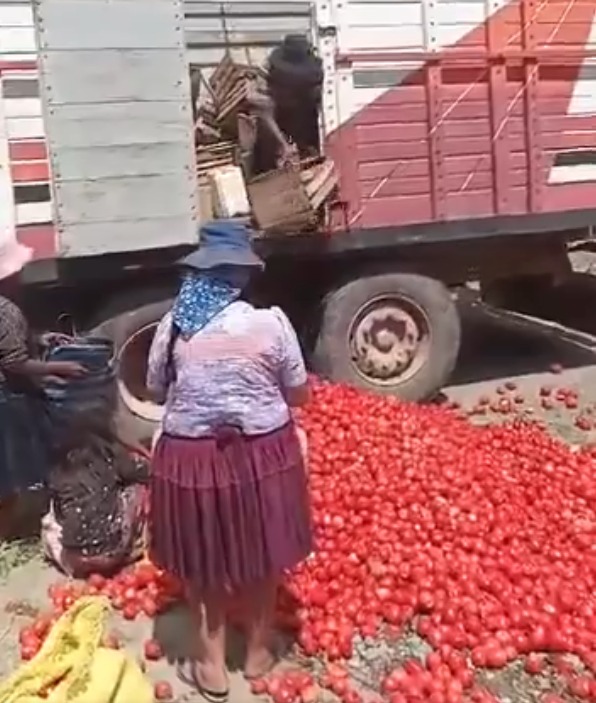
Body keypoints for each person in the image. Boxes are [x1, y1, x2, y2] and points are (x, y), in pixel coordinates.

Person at [147, 220, 312, 702]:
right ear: (243, 275)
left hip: (190, 458)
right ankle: (258, 654)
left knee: (201, 561)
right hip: (262, 453)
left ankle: (211, 665)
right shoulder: (271, 323)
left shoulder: (173, 324)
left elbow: (157, 387)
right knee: (262, 555)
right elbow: (299, 394)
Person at [0, 238, 86, 537]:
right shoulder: (7, 309)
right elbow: (14, 363)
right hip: (7, 397)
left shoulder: (6, 309)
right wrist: (59, 368)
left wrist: (43, 337)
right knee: (11, 468)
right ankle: (9, 532)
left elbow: (11, 341)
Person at [41, 411, 150, 578]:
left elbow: (60, 516)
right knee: (136, 489)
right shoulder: (109, 458)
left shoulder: (59, 471)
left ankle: (70, 558)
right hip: (112, 555)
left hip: (74, 559)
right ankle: (138, 543)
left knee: (51, 516)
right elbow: (147, 473)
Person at [248, 34, 324, 174]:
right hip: (276, 119)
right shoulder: (267, 68)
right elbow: (263, 111)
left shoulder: (319, 73)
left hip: (305, 119)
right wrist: (282, 143)